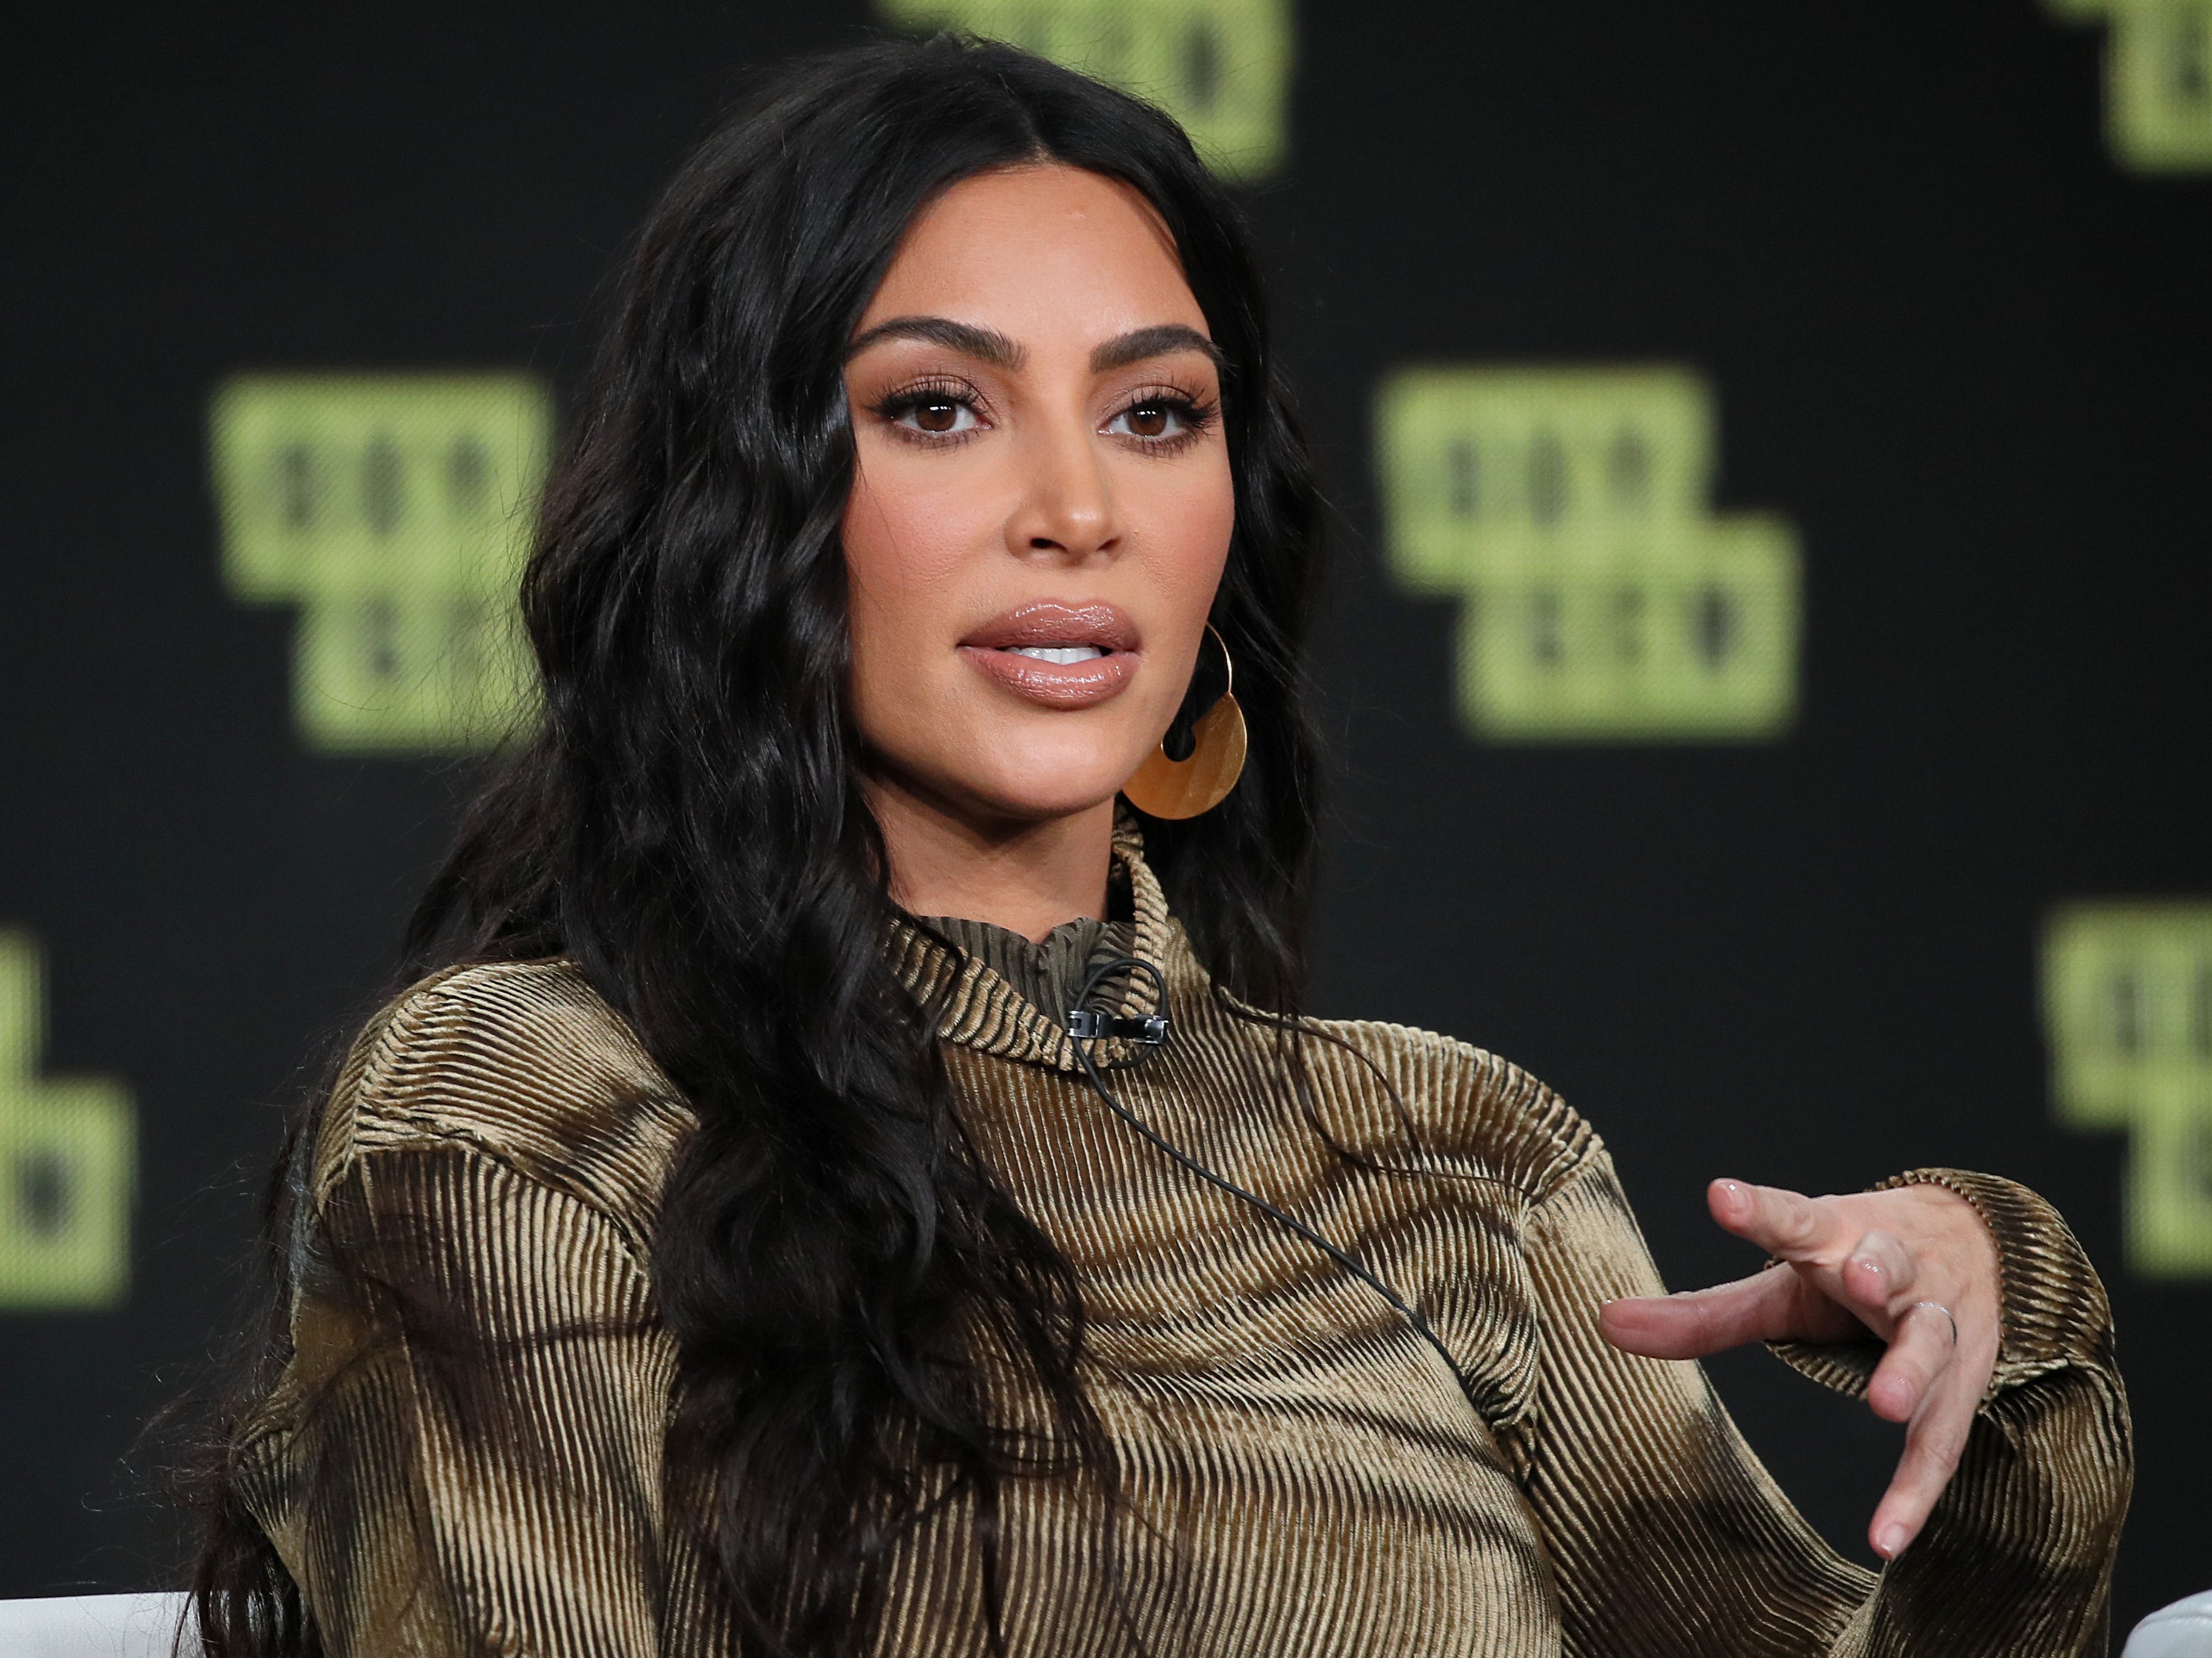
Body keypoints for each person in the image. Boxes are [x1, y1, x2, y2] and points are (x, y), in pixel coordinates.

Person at [187, 36, 2130, 1658]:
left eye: (1155, 413)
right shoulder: (525, 1115)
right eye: (937, 407)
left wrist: (1991, 1314)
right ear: (748, 507)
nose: (1075, 508)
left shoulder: (1454, 1162)